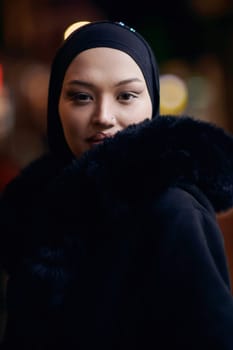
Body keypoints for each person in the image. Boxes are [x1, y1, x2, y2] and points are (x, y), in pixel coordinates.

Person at [0, 20, 233, 350]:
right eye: (81, 96)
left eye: (126, 95)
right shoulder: (35, 214)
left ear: (151, 103)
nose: (104, 116)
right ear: (56, 107)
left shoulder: (173, 212)